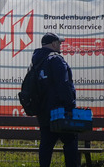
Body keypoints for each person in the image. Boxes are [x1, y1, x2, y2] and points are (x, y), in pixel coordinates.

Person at [32, 32, 79, 167]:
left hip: (43, 112)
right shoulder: (56, 60)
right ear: (53, 44)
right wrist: (70, 107)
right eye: (59, 43)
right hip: (60, 112)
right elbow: (64, 85)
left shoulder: (37, 60)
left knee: (46, 145)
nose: (60, 45)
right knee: (70, 142)